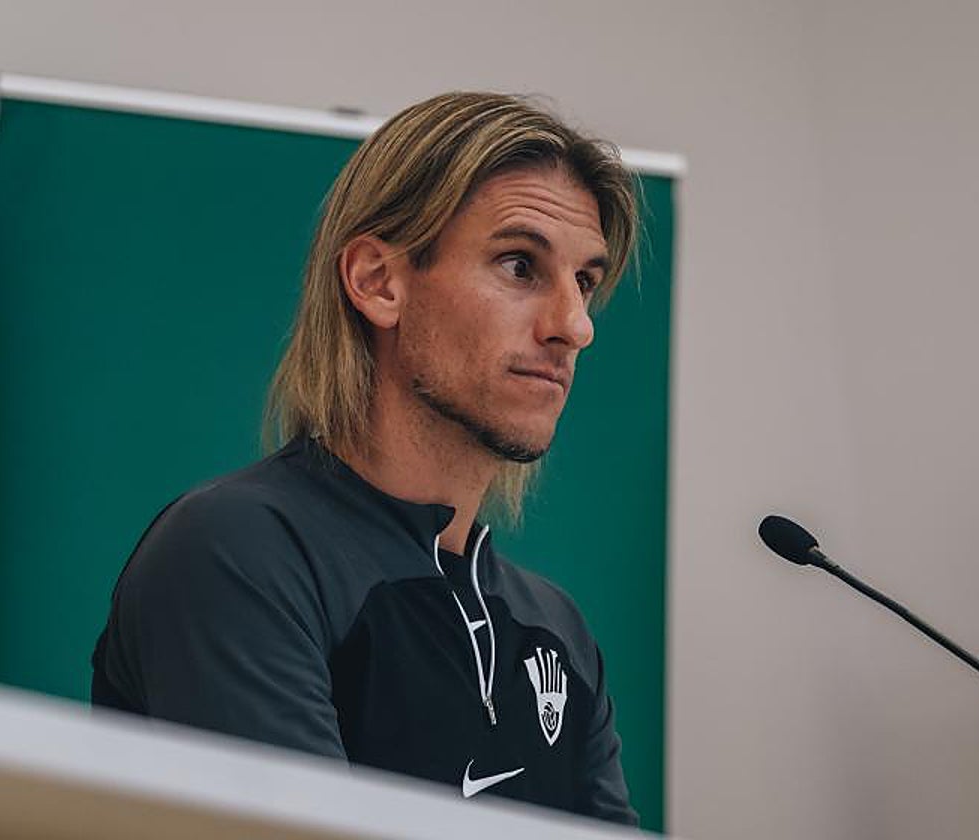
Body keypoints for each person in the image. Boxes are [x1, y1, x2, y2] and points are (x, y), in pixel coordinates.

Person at [90, 91, 641, 826]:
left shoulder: (557, 629)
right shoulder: (240, 552)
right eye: (519, 265)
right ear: (378, 282)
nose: (573, 326)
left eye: (586, 283)